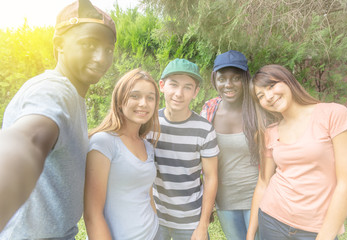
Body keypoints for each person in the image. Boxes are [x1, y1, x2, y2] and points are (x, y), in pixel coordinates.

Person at [0, 0, 116, 238]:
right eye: (89, 44)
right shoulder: (55, 90)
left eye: (108, 49)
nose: (101, 58)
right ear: (59, 45)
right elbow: (29, 140)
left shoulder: (74, 96)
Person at [246, 64, 347, 240]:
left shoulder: (333, 114)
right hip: (272, 220)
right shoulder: (270, 132)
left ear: (288, 81)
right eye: (260, 96)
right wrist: (250, 233)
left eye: (271, 86)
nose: (268, 96)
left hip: (316, 230)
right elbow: (263, 183)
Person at [83, 69, 161, 240]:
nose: (143, 103)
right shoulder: (104, 142)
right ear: (119, 100)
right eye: (135, 96)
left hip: (153, 233)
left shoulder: (147, 146)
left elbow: (147, 195)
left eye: (150, 97)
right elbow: (92, 214)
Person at [147, 58, 219, 240]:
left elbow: (211, 177)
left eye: (187, 87)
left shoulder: (204, 130)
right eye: (173, 85)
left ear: (195, 92)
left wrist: (202, 226)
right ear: (162, 86)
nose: (179, 93)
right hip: (156, 217)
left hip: (190, 221)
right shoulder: (149, 123)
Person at [200, 50, 260, 240]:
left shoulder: (259, 109)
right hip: (224, 200)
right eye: (222, 78)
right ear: (214, 80)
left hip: (257, 198)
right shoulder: (209, 110)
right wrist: (206, 203)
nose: (228, 84)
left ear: (245, 79)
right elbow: (202, 160)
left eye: (236, 78)